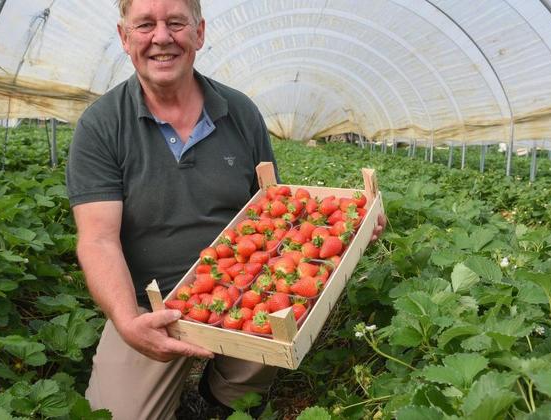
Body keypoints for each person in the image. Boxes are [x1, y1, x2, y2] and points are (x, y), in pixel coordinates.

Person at [66, 0, 384, 418]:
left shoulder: (240, 113)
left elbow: (278, 214)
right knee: (119, 414)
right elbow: (98, 238)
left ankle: (220, 399)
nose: (162, 37)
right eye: (145, 25)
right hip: (151, 304)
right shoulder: (102, 125)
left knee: (276, 325)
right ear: (126, 38)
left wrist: (350, 226)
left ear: (199, 33)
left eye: (176, 23)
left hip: (247, 289)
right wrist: (128, 321)